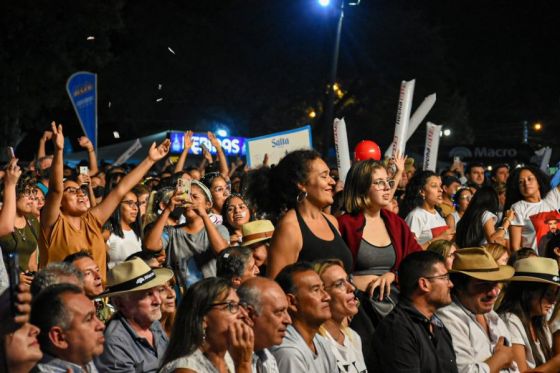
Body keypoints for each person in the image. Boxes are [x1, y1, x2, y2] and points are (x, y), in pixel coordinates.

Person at [39, 122, 170, 281]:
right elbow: (55, 189)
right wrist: (58, 150)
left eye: (81, 190)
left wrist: (150, 160)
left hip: (96, 300)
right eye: (72, 191)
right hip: (62, 299)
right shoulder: (53, 223)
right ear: (59, 202)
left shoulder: (92, 221)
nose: (80, 193)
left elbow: (120, 190)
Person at [257, 150, 352, 278]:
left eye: (330, 175)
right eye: (324, 176)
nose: (332, 182)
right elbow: (276, 288)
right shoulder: (290, 229)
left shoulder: (332, 221)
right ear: (301, 184)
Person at [338, 159, 421, 298]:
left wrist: (394, 276)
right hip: (356, 304)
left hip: (394, 303)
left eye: (388, 181)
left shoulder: (396, 223)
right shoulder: (344, 224)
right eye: (379, 183)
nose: (387, 187)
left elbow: (417, 261)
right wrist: (351, 281)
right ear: (362, 187)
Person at [371, 251, 457, 372]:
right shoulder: (396, 330)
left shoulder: (438, 325)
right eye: (444, 278)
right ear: (424, 284)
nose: (451, 284)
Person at [436, 247, 517, 373]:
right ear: (459, 287)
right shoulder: (448, 317)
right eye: (483, 285)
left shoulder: (492, 316)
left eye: (495, 284)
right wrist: (500, 359)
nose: (493, 292)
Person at [144, 180, 229, 287]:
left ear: (208, 204)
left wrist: (204, 215)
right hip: (183, 300)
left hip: (211, 296)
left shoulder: (219, 230)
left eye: (195, 197)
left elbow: (221, 251)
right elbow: (150, 246)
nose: (189, 200)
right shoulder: (171, 232)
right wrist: (168, 209)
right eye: (186, 196)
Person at [160, 277, 254, 373]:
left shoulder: (232, 355)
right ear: (202, 318)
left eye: (239, 305)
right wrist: (243, 365)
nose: (243, 314)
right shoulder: (185, 369)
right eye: (231, 306)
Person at [95, 258, 173, 372]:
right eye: (147, 294)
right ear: (120, 303)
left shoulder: (152, 323)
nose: (158, 301)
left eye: (157, 290)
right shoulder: (114, 344)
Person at [270, 262, 337, 373]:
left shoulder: (323, 344)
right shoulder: (288, 352)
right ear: (291, 301)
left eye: (323, 288)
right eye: (316, 290)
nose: (327, 297)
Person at [497, 257, 560, 372]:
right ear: (528, 291)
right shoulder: (510, 320)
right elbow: (522, 371)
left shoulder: (539, 321)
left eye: (556, 294)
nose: (553, 301)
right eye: (548, 294)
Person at [30, 284, 106, 372]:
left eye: (96, 316)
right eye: (89, 319)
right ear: (59, 337)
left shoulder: (83, 360)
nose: (101, 325)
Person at [314, 259, 367, 373]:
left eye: (348, 280)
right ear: (323, 295)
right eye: (339, 284)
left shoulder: (354, 338)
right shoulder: (315, 345)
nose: (352, 288)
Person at [237, 277, 292, 373]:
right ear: (249, 314)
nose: (288, 320)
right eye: (279, 312)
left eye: (286, 311)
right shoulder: (223, 360)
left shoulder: (267, 359)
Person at [505, 165, 560, 251]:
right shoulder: (518, 207)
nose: (526, 183)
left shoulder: (551, 200)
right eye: (520, 182)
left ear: (538, 182)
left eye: (530, 179)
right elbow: (515, 247)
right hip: (536, 262)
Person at [402, 170, 454, 249]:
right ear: (422, 192)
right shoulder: (416, 216)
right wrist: (440, 238)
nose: (440, 190)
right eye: (434, 186)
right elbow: (410, 250)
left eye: (440, 185)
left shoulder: (438, 213)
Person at [0, 177, 40, 273]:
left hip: (25, 284)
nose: (32, 197)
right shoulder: (2, 220)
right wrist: (15, 277)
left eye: (33, 192)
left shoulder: (32, 220)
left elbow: (32, 264)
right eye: (26, 192)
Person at [63, 250, 115, 323]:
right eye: (88, 273)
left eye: (97, 270)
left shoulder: (108, 311)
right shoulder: (68, 318)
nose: (98, 276)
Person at [106, 191, 143, 269]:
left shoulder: (136, 232)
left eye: (136, 204)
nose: (136, 208)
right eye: (130, 203)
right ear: (117, 205)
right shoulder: (108, 232)